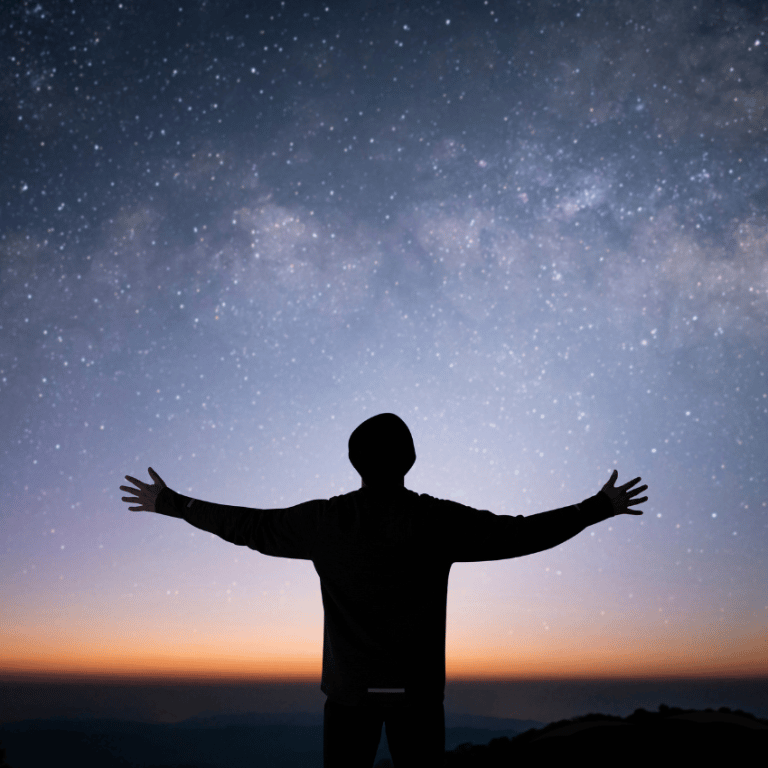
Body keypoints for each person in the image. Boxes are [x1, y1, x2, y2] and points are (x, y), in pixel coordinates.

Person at [120, 412, 648, 767]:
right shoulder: (436, 520)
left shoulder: (325, 522)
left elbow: (251, 528)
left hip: (348, 698)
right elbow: (521, 534)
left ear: (355, 461)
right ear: (410, 458)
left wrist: (175, 503)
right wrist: (596, 508)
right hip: (418, 698)